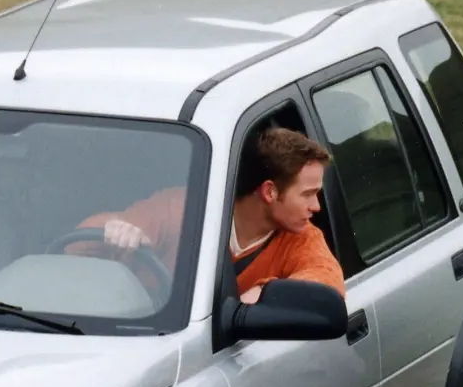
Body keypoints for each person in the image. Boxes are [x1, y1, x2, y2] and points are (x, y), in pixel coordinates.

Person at [82, 126, 343, 302]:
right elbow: (80, 241)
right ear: (270, 192)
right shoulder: (183, 207)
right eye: (308, 194)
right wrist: (114, 229)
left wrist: (266, 293)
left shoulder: (302, 238)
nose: (316, 206)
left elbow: (327, 284)